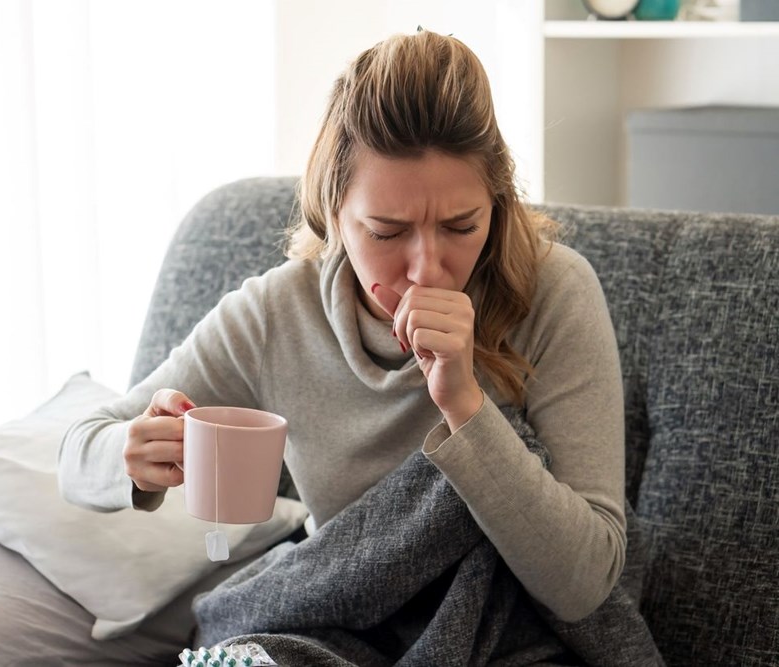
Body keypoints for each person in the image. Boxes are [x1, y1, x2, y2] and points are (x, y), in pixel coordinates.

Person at [59, 27, 626, 648]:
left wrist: (465, 406)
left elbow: (585, 582)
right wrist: (132, 456)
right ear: (332, 214)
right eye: (387, 232)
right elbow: (76, 451)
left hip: (506, 636)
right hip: (341, 631)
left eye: (462, 226)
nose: (426, 268)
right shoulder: (278, 313)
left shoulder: (555, 292)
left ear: (498, 203)